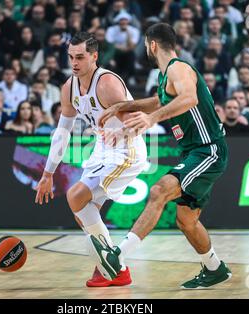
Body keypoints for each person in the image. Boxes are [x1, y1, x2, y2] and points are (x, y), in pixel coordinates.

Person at [92, 23, 231, 289]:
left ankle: (117, 257)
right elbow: (158, 101)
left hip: (207, 148)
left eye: (146, 45)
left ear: (152, 45)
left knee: (159, 190)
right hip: (194, 151)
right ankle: (215, 268)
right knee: (187, 221)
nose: (146, 49)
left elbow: (189, 98)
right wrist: (124, 106)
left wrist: (152, 119)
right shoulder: (165, 77)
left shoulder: (179, 68)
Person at [34, 32, 147, 287]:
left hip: (127, 149)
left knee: (76, 196)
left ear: (94, 56)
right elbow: (62, 133)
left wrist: (120, 131)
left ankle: (111, 266)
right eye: (71, 57)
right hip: (102, 149)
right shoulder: (69, 88)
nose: (74, 63)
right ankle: (112, 268)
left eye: (80, 57)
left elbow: (139, 123)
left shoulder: (107, 84)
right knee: (83, 212)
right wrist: (48, 173)